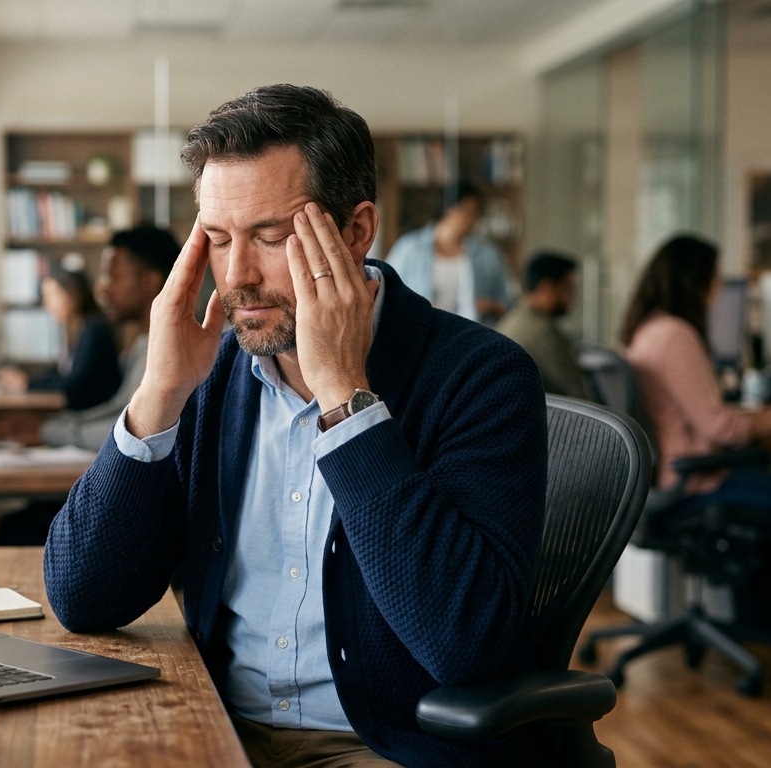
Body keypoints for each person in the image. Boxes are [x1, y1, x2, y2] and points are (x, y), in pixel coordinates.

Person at [44, 85, 557, 766]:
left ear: (355, 231)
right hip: (212, 727)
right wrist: (159, 395)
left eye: (269, 236)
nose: (238, 276)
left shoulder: (483, 376)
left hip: (382, 747)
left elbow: (462, 640)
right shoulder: (215, 373)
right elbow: (83, 597)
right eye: (219, 241)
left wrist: (345, 399)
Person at [621, 234, 771, 655]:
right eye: (715, 280)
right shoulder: (676, 334)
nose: (718, 291)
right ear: (694, 281)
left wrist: (763, 416)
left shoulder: (646, 330)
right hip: (696, 481)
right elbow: (722, 429)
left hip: (666, 479)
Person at [40, 225, 178, 450]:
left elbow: (133, 430)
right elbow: (119, 410)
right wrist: (55, 425)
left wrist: (47, 431)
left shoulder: (171, 349)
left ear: (150, 281)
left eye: (114, 277)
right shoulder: (144, 342)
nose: (103, 289)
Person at [384, 182, 509, 325]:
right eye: (468, 211)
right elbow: (388, 293)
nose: (474, 218)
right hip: (421, 334)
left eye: (476, 212)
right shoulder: (410, 248)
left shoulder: (487, 255)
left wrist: (490, 306)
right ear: (448, 209)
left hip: (471, 337)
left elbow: (508, 303)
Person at [3, 267, 121, 412]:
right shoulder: (77, 330)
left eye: (52, 295)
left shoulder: (93, 331)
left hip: (92, 417)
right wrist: (27, 380)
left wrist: (28, 385)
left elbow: (75, 384)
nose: (46, 304)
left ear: (73, 295)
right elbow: (63, 374)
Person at [496, 251, 587, 399]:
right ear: (547, 287)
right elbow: (580, 402)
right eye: (568, 287)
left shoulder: (512, 319)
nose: (573, 297)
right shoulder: (544, 334)